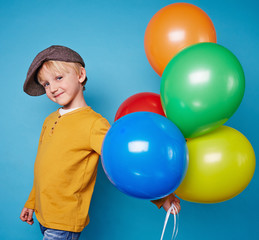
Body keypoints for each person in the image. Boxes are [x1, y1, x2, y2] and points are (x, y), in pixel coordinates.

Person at [19, 45, 181, 240]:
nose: (52, 88)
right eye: (45, 84)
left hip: (65, 220)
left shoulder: (94, 124)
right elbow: (42, 168)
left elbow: (123, 162)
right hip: (43, 216)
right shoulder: (49, 120)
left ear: (80, 75)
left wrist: (162, 198)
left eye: (58, 78)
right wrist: (31, 202)